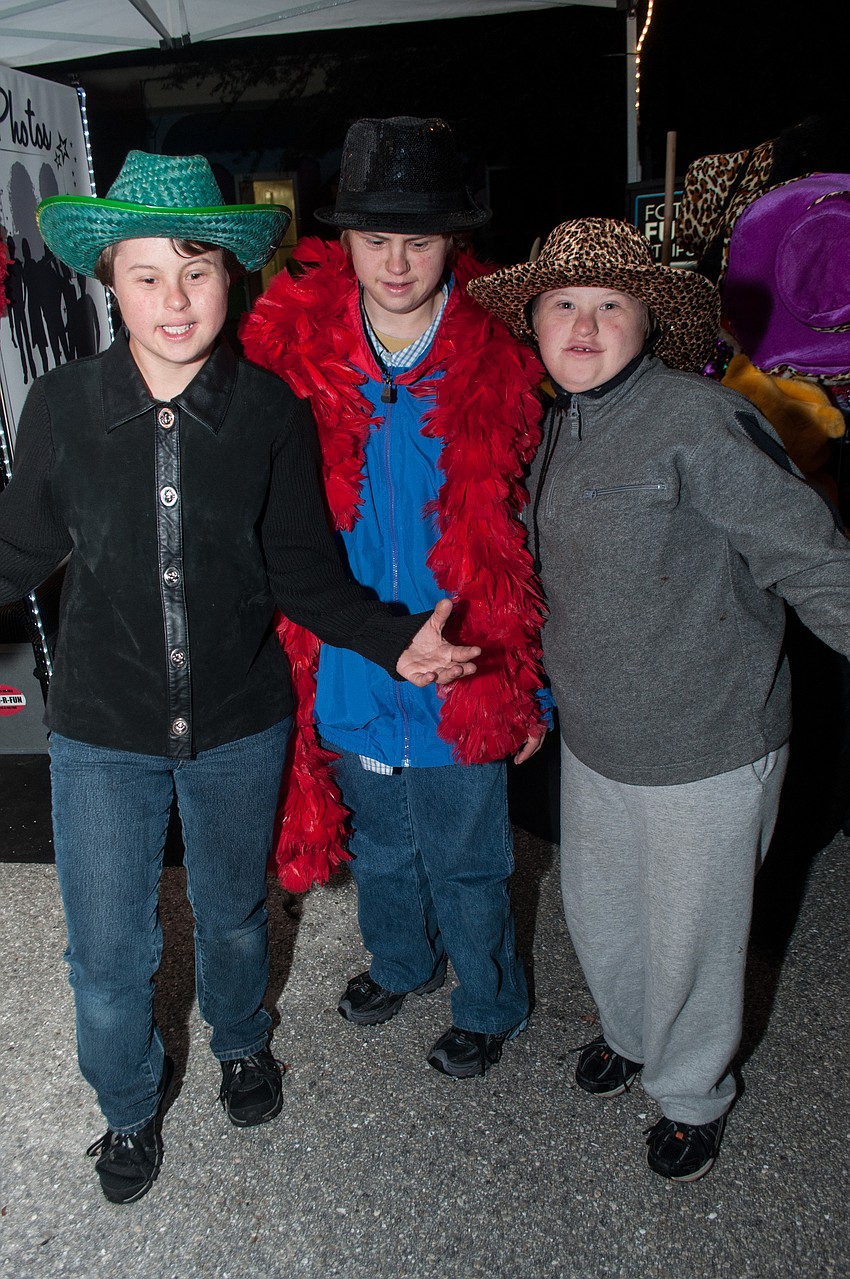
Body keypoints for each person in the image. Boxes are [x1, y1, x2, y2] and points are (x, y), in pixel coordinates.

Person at [0, 150, 481, 1205]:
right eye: (145, 274)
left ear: (233, 276)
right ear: (107, 281)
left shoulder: (268, 412)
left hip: (238, 725)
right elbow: (17, 547)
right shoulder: (62, 405)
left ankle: (241, 1042)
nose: (175, 299)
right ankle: (126, 1107)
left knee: (227, 912)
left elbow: (300, 567)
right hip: (101, 732)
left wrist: (392, 637)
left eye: (198, 267)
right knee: (107, 950)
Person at [468, 217, 850, 1180]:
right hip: (597, 740)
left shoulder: (702, 419)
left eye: (610, 305)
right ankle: (634, 1035)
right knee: (605, 918)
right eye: (563, 304)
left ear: (647, 321)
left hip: (708, 741)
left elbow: (812, 558)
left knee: (693, 941)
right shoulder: (554, 429)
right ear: (536, 323)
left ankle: (691, 1092)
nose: (584, 326)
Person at [241, 116, 548, 1079]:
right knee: (381, 845)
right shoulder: (295, 355)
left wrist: (532, 686)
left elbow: (533, 545)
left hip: (469, 662)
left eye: (420, 238)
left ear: (454, 240)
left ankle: (492, 998)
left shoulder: (502, 355)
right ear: (346, 243)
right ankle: (402, 961)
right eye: (378, 239)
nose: (399, 261)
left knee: (469, 852)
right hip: (352, 657)